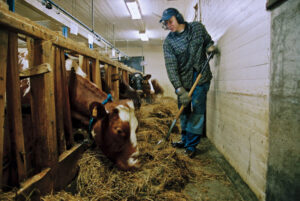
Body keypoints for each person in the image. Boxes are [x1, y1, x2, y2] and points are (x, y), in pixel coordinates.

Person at [160, 8, 216, 158]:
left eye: (170, 21)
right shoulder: (169, 43)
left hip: (201, 77)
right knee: (183, 112)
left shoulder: (197, 28)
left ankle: (191, 145)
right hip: (183, 82)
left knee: (197, 111)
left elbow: (207, 40)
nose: (168, 25)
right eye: (166, 23)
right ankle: (184, 140)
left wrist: (209, 47)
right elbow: (171, 67)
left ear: (178, 17)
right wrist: (179, 89)